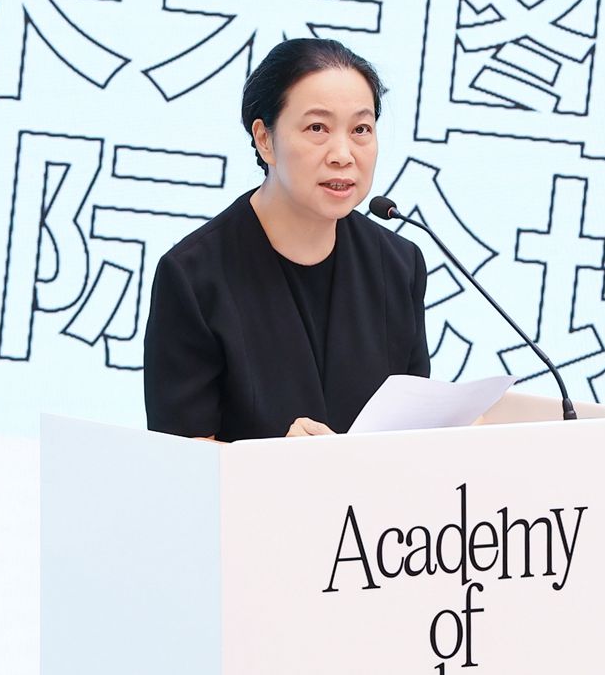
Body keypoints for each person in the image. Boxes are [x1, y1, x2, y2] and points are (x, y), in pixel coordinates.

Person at [143, 38, 430, 441]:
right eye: (317, 128)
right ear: (265, 139)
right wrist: (276, 462)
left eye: (361, 129)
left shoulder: (400, 265)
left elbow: (412, 429)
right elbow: (183, 454)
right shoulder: (193, 277)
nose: (343, 154)